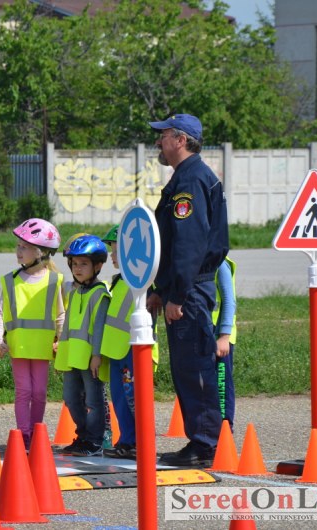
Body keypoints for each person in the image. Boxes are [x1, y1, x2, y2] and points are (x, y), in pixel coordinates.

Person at [146, 114, 229, 467]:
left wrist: (177, 295)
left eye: (163, 135)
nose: (158, 141)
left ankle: (206, 445)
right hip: (183, 289)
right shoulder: (187, 176)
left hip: (190, 293)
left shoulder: (191, 181)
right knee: (185, 367)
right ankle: (201, 440)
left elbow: (189, 245)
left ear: (181, 140)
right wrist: (160, 289)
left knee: (194, 368)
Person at [0, 218, 65, 450]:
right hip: (19, 346)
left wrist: (62, 342)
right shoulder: (10, 280)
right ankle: (24, 433)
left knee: (40, 392)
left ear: (40, 252)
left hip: (42, 347)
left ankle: (36, 432)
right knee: (24, 391)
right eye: (18, 246)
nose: (18, 251)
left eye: (24, 247)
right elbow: (1, 312)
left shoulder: (54, 280)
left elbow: (60, 315)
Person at [100, 225, 160, 460]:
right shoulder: (118, 281)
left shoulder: (145, 283)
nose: (112, 256)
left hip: (133, 352)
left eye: (116, 251)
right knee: (120, 399)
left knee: (134, 399)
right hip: (115, 350)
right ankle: (126, 441)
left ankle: (141, 442)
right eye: (112, 251)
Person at [55, 234, 110, 456]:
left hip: (90, 359)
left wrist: (96, 355)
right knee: (70, 399)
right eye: (74, 263)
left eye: (84, 264)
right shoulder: (75, 292)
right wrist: (61, 352)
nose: (77, 268)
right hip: (72, 357)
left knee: (94, 401)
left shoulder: (100, 294)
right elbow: (69, 327)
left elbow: (99, 328)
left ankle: (95, 441)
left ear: (97, 266)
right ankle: (84, 435)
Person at [214, 256, 237, 430]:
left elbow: (229, 301)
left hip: (221, 337)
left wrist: (224, 337)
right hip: (207, 334)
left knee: (222, 382)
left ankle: (225, 425)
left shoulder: (220, 264)